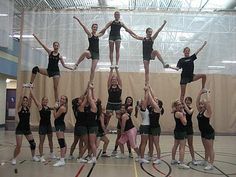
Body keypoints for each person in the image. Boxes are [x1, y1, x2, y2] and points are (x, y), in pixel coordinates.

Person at [23, 34, 73, 102]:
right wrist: (36, 37)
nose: (56, 47)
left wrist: (71, 68)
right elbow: (42, 45)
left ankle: (57, 101)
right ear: (53, 46)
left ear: (59, 47)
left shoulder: (60, 56)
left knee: (55, 87)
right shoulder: (50, 52)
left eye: (57, 45)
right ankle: (31, 84)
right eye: (55, 45)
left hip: (56, 72)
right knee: (35, 69)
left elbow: (64, 65)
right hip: (48, 71)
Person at [127, 20, 169, 85]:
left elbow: (158, 31)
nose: (150, 33)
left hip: (151, 54)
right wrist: (129, 32)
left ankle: (163, 63)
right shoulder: (143, 38)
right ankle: (147, 82)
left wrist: (164, 24)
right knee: (146, 70)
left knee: (156, 51)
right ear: (146, 32)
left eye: (151, 32)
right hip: (145, 56)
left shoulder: (152, 38)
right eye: (149, 32)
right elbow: (135, 36)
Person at [73, 16, 107, 84]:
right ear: (92, 28)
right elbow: (83, 26)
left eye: (96, 28)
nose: (95, 28)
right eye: (94, 27)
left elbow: (103, 32)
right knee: (85, 52)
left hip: (96, 54)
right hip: (90, 51)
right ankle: (76, 64)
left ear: (97, 29)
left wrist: (107, 26)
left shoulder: (97, 35)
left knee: (92, 69)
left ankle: (91, 82)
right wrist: (77, 19)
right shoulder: (90, 34)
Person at [12, 87, 39, 165]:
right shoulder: (19, 108)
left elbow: (31, 97)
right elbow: (20, 97)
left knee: (33, 144)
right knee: (18, 146)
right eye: (24, 100)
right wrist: (24, 88)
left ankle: (33, 156)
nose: (25, 101)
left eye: (26, 100)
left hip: (27, 129)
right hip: (20, 129)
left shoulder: (28, 108)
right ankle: (14, 158)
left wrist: (30, 88)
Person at [29, 88, 56, 162]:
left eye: (47, 100)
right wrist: (31, 90)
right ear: (42, 101)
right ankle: (41, 156)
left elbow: (55, 108)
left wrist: (57, 105)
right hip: (42, 126)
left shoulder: (48, 107)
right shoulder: (40, 106)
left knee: (50, 140)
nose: (46, 101)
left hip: (49, 126)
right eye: (44, 100)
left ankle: (51, 153)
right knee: (42, 141)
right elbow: (34, 98)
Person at [196, 89, 215, 170]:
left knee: (210, 148)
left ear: (205, 105)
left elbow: (208, 103)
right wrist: (200, 93)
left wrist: (207, 93)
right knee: (206, 148)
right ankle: (205, 161)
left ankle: (211, 164)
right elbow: (197, 101)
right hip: (203, 132)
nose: (200, 105)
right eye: (200, 104)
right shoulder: (200, 112)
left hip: (209, 132)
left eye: (202, 104)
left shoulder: (207, 112)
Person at [146, 86, 164, 164]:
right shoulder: (151, 108)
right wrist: (150, 87)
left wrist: (148, 91)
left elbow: (152, 98)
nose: (154, 101)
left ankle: (159, 158)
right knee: (150, 142)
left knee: (156, 143)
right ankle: (150, 155)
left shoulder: (158, 109)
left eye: (156, 101)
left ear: (158, 104)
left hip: (156, 128)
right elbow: (153, 97)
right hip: (150, 127)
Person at [68, 96, 88, 163]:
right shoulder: (81, 107)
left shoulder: (74, 107)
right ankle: (80, 157)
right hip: (82, 127)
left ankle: (70, 155)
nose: (80, 99)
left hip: (77, 126)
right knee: (86, 143)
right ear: (77, 103)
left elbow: (82, 97)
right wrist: (89, 89)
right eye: (79, 100)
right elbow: (86, 99)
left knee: (76, 141)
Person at [171, 100, 189, 169]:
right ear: (176, 106)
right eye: (178, 105)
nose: (181, 105)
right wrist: (184, 114)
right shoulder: (180, 113)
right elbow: (185, 123)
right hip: (181, 131)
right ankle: (181, 163)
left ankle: (173, 159)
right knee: (182, 147)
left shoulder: (176, 112)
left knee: (175, 145)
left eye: (181, 104)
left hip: (177, 131)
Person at [53, 95, 68, 167]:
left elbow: (55, 116)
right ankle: (63, 157)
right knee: (63, 142)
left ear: (65, 101)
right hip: (59, 125)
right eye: (61, 98)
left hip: (59, 125)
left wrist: (54, 108)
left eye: (63, 99)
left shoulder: (62, 108)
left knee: (61, 142)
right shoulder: (61, 106)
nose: (62, 100)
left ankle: (62, 160)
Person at [86, 84, 99, 163]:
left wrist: (89, 89)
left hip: (93, 127)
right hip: (90, 126)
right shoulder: (92, 107)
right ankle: (91, 156)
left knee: (92, 143)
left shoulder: (94, 108)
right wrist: (92, 89)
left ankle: (94, 158)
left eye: (95, 100)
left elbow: (90, 98)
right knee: (91, 143)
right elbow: (92, 98)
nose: (93, 100)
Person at [136, 87, 150, 163]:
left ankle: (140, 156)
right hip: (145, 126)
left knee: (142, 142)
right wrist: (146, 91)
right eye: (141, 101)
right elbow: (146, 98)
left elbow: (145, 99)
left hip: (144, 126)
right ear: (140, 104)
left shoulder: (143, 108)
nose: (142, 100)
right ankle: (142, 157)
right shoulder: (143, 108)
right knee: (144, 143)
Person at [183, 96, 198, 165]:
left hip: (189, 128)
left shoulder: (192, 109)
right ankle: (181, 160)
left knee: (190, 144)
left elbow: (189, 112)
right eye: (186, 100)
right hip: (182, 127)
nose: (188, 101)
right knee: (182, 145)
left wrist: (183, 102)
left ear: (191, 102)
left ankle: (193, 159)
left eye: (189, 100)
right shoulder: (182, 108)